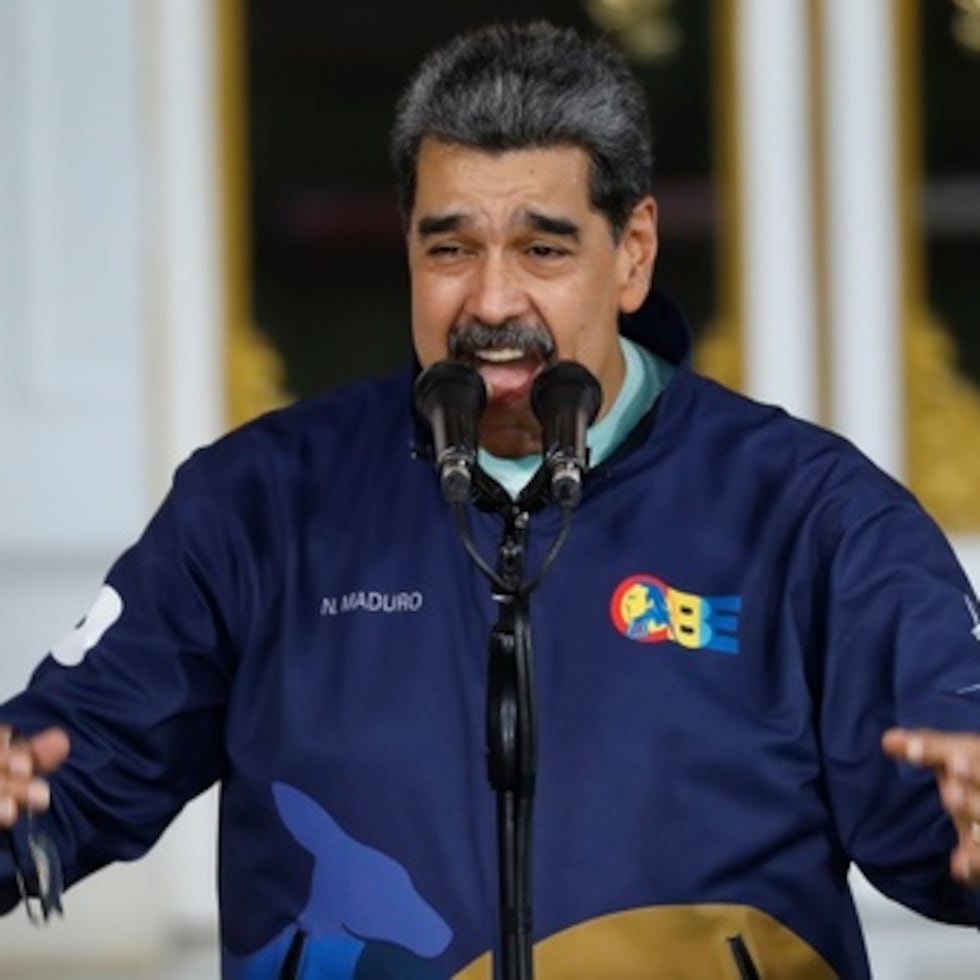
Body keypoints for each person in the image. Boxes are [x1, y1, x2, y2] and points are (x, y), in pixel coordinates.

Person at [1, 19, 979, 979]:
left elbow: (940, 814)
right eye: (450, 249)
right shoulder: (258, 504)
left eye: (543, 250)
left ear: (631, 251)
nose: (492, 301)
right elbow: (61, 776)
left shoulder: (814, 515)